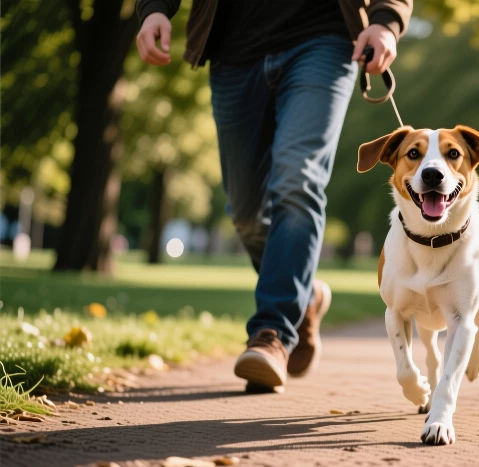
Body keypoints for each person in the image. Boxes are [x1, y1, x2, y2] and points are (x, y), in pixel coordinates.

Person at [135, 0, 413, 392]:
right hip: (234, 49)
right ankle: (305, 293)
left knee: (297, 179)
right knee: (245, 211)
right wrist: (154, 8)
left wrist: (386, 22)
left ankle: (272, 334)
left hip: (325, 40)